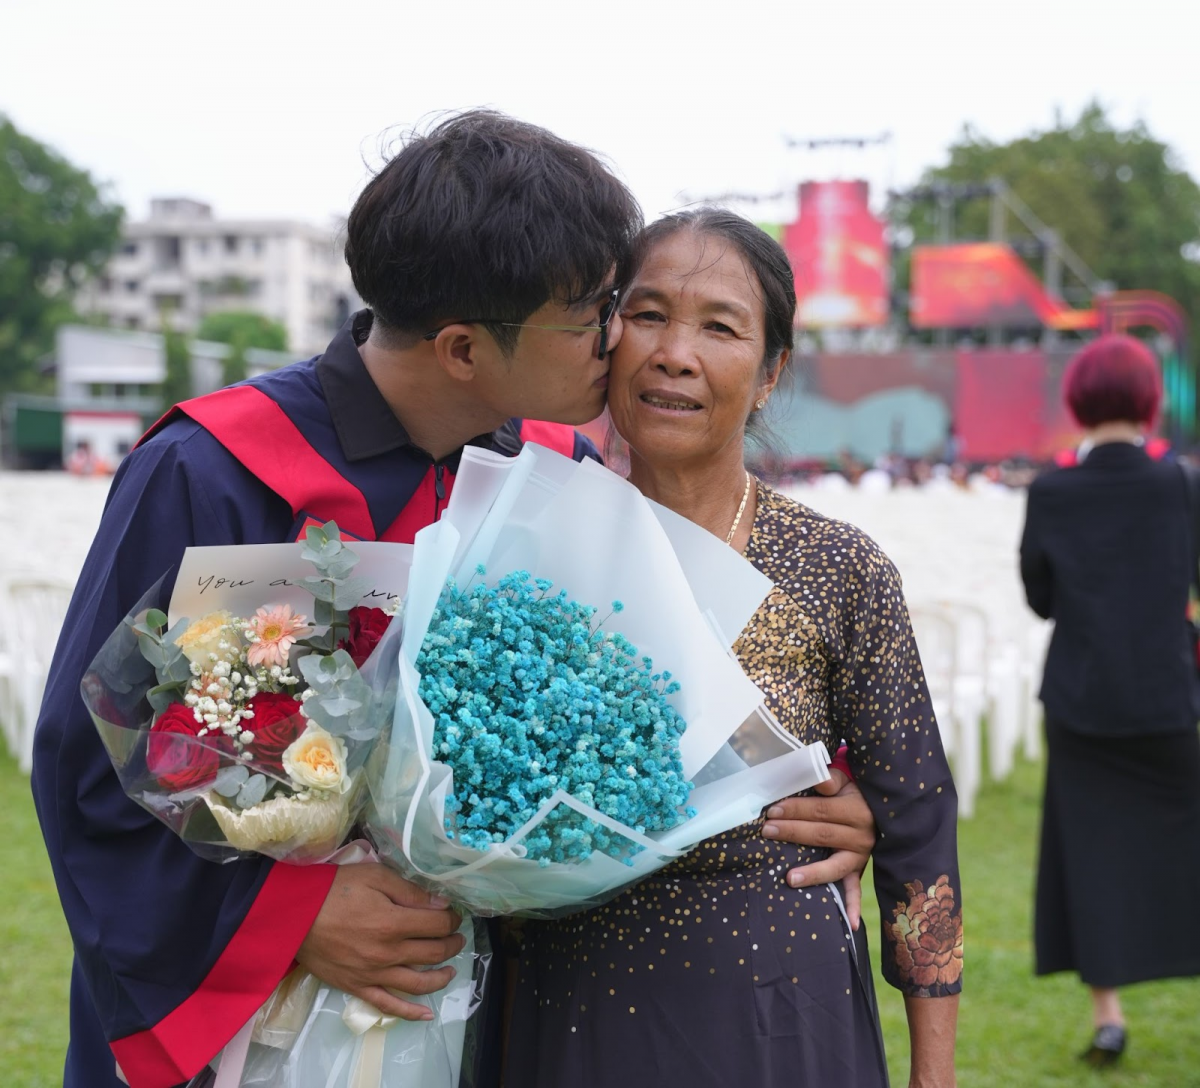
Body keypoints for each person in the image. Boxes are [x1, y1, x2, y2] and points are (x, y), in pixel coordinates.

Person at [31, 115, 876, 1088]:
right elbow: (101, 769)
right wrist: (290, 913)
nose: (616, 339)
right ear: (465, 349)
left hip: (466, 1008)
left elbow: (634, 703)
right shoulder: (225, 474)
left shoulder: (556, 476)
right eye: (588, 313)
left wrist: (807, 797)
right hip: (246, 1032)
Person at [505, 209, 962, 1088]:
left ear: (770, 372)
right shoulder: (531, 553)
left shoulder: (838, 567)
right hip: (571, 1004)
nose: (676, 352)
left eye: (719, 326)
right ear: (607, 340)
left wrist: (932, 1078)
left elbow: (919, 834)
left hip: (781, 1010)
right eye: (647, 315)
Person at [1019, 334, 1200, 1068]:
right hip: (1165, 697)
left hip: (1081, 700)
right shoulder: (1183, 484)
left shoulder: (1051, 489)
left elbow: (1039, 599)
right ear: (1151, 401)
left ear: (1077, 401)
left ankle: (1108, 1017)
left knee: (1087, 856)